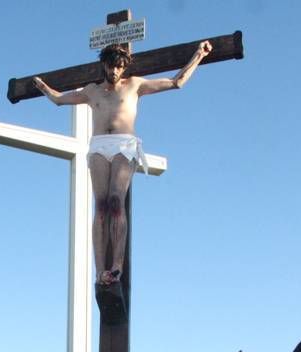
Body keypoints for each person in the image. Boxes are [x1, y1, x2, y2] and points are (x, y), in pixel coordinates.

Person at [34, 41, 212, 286]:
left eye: (119, 67)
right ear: (104, 65)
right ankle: (100, 271)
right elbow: (58, 99)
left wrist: (198, 55)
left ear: (124, 67)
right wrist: (41, 86)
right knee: (101, 205)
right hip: (98, 146)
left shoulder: (135, 85)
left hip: (123, 144)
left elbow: (176, 82)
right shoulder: (92, 91)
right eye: (111, 66)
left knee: (116, 202)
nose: (115, 72)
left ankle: (116, 266)